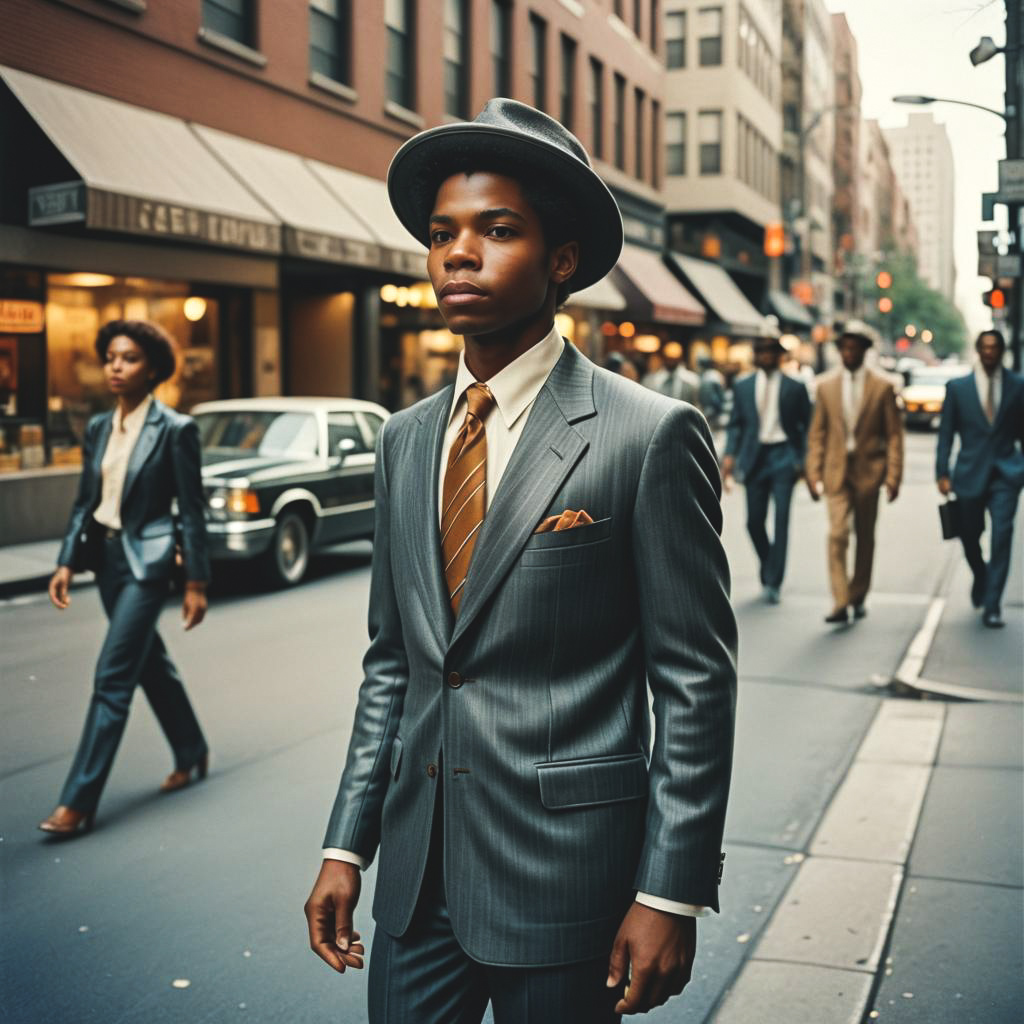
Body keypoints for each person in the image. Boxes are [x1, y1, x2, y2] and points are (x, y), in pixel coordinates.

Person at [304, 99, 737, 1024]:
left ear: (562, 259)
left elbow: (695, 681)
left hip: (570, 883)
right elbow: (396, 664)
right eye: (442, 233)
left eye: (498, 230)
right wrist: (348, 844)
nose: (459, 253)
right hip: (416, 888)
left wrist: (670, 891)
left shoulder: (649, 435)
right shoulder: (407, 440)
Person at [39, 319, 210, 836]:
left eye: (128, 358)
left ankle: (77, 802)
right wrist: (66, 560)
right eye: (110, 356)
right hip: (107, 562)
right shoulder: (96, 428)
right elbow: (85, 503)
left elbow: (192, 511)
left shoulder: (175, 429)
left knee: (113, 676)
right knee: (148, 662)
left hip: (148, 564)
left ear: (153, 369)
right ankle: (192, 749)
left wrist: (197, 582)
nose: (115, 366)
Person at [805, 320, 903, 624]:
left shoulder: (883, 386)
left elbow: (894, 435)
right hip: (836, 472)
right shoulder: (825, 386)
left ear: (864, 351)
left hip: (869, 472)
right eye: (843, 348)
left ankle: (858, 592)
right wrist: (813, 471)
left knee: (865, 536)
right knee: (836, 534)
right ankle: (840, 600)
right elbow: (818, 432)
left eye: (853, 348)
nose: (848, 353)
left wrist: (893, 476)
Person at [936, 329, 1024, 628]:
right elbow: (946, 433)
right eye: (984, 347)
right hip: (969, 473)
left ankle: (992, 605)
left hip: (1006, 475)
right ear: (977, 349)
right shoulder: (958, 388)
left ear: (1001, 350)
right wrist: (942, 471)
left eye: (995, 347)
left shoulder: (1018, 386)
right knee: (969, 535)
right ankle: (981, 575)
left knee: (1002, 537)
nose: (989, 352)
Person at [722, 337, 811, 604]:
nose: (765, 356)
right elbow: (736, 423)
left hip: (784, 456)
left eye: (771, 352)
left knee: (781, 520)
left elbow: (807, 426)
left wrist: (802, 461)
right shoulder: (743, 386)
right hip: (755, 458)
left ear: (780, 356)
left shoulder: (795, 387)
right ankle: (768, 562)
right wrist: (729, 453)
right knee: (753, 522)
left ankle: (774, 581)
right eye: (760, 352)